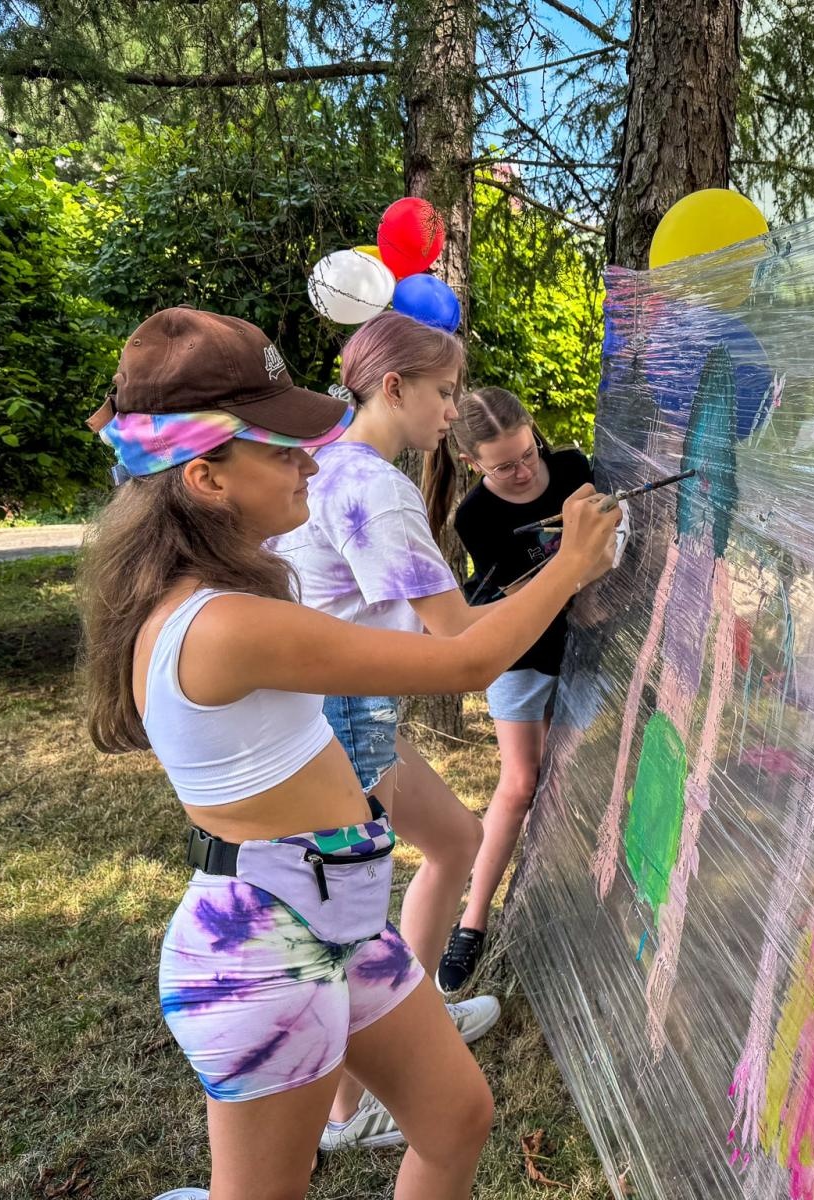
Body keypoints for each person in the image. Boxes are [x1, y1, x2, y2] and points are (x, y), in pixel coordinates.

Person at [79, 307, 618, 1200]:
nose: (310, 463)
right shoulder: (225, 624)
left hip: (336, 917)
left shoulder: (220, 594)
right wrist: (570, 565)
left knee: (456, 1119)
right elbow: (463, 660)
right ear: (207, 479)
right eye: (282, 452)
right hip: (263, 954)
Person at [265, 312, 554, 1146]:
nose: (452, 409)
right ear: (394, 388)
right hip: (347, 715)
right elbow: (459, 640)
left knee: (458, 840)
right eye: (444, 391)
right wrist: (565, 573)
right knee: (352, 932)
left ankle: (416, 1009)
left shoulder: (324, 459)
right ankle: (347, 1113)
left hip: (342, 704)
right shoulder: (373, 484)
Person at [433, 387, 595, 993]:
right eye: (504, 467)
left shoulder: (574, 467)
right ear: (472, 462)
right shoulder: (475, 516)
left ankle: (558, 893)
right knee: (521, 782)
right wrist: (576, 575)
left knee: (567, 773)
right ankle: (472, 922)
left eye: (528, 454)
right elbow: (519, 599)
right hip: (521, 654)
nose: (524, 471)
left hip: (586, 647)